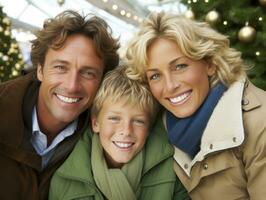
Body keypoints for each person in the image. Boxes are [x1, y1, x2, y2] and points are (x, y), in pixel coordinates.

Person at [125, 12, 266, 200]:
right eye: (155, 76)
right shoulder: (158, 127)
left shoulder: (260, 123)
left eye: (180, 66)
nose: (170, 86)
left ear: (209, 64)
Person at [0, 10, 119, 200]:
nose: (72, 86)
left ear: (101, 81)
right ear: (40, 70)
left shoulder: (105, 136)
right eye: (60, 67)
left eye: (88, 73)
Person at [48, 65, 190, 200]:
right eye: (114, 119)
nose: (126, 131)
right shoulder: (65, 181)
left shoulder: (172, 168)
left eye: (138, 121)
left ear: (148, 128)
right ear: (96, 123)